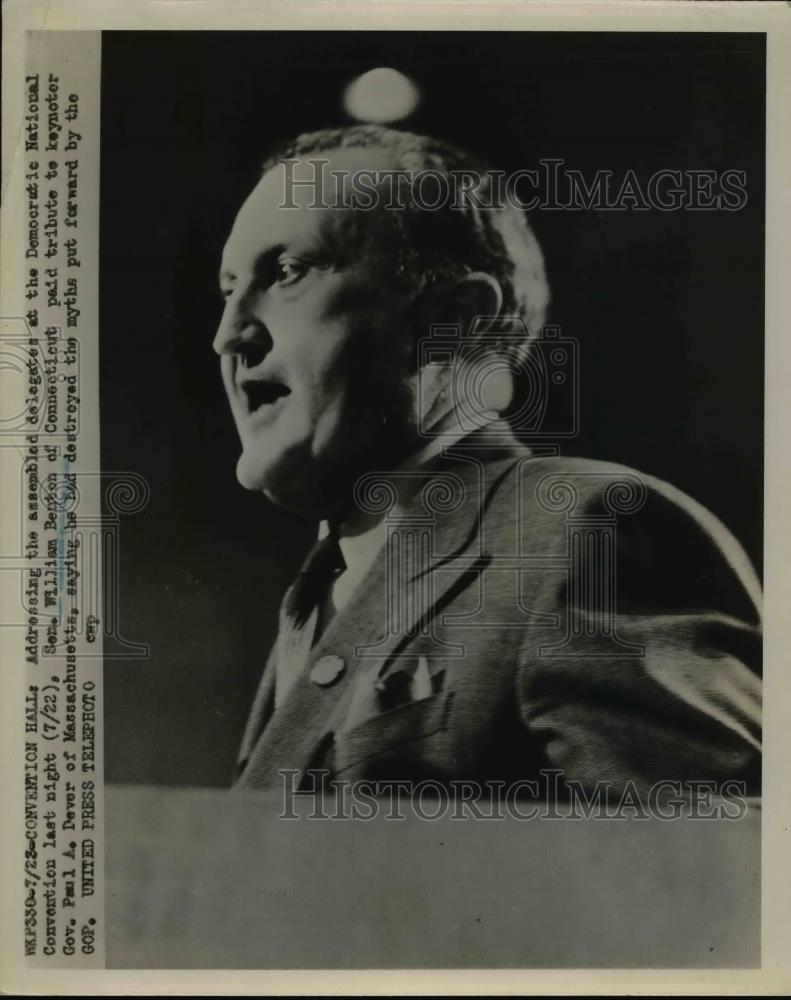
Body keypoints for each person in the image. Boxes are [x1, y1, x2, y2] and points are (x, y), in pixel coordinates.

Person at [214, 125, 761, 801]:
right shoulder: (322, 588)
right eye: (229, 288)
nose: (229, 335)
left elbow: (717, 880)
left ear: (453, 321)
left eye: (286, 273)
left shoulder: (583, 529)